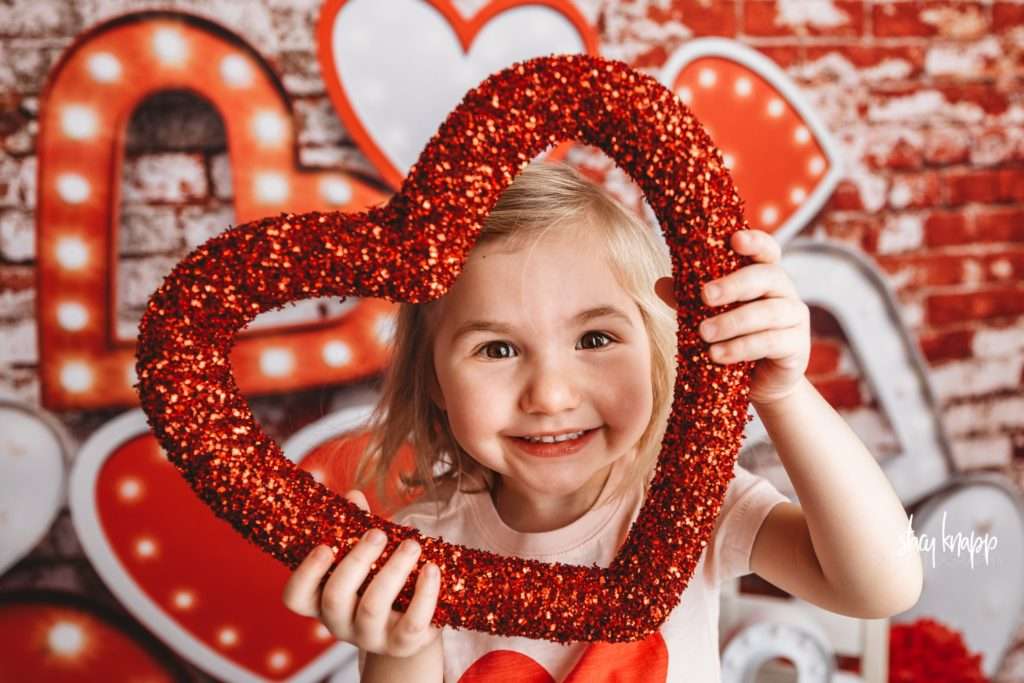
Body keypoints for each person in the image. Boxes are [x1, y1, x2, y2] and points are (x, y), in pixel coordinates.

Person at [282, 161, 923, 682]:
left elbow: (882, 584)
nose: (552, 395)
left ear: (658, 351)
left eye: (594, 339)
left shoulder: (683, 507)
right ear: (435, 385)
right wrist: (396, 644)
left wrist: (783, 394)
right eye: (497, 350)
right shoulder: (419, 554)